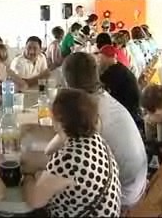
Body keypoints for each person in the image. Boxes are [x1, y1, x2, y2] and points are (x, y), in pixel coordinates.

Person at [55, 52, 147, 209]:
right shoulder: (103, 99)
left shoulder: (88, 112)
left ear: (67, 82)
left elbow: (64, 151)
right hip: (136, 183)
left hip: (121, 196)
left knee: (52, 186)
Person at [23, 88, 121, 217]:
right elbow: (49, 152)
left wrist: (28, 175)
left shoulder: (68, 160)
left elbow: (34, 200)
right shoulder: (94, 138)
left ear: (59, 121)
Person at [97, 45, 144, 132]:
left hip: (130, 113)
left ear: (109, 58)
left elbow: (99, 87)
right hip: (133, 110)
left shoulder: (114, 72)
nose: (99, 61)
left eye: (101, 58)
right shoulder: (118, 67)